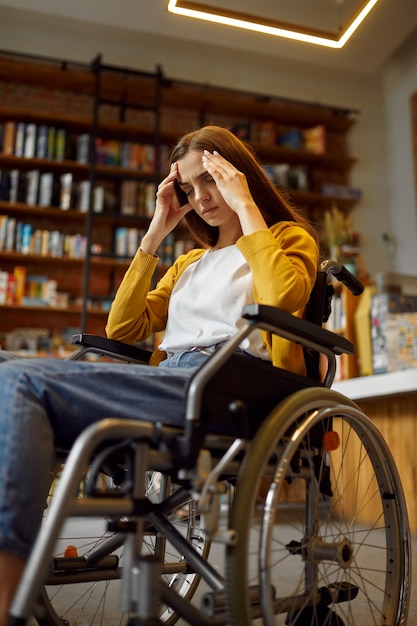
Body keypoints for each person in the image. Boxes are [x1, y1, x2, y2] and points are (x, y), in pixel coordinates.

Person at [0, 125, 319, 626]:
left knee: (21, 382)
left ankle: (5, 584)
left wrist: (248, 206)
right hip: (173, 378)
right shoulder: (189, 263)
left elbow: (284, 301)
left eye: (210, 180)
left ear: (238, 174)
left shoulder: (284, 239)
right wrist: (156, 231)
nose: (201, 197)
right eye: (190, 188)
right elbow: (122, 326)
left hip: (229, 385)